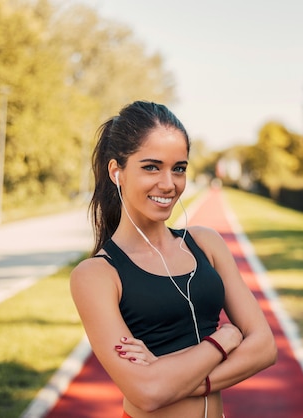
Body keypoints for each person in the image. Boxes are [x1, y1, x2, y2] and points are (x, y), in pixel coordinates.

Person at [70, 100, 277, 418]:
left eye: (178, 168)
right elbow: (147, 393)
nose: (169, 184)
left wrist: (175, 380)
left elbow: (264, 347)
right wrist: (224, 340)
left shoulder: (206, 243)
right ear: (117, 172)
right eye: (151, 167)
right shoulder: (96, 274)